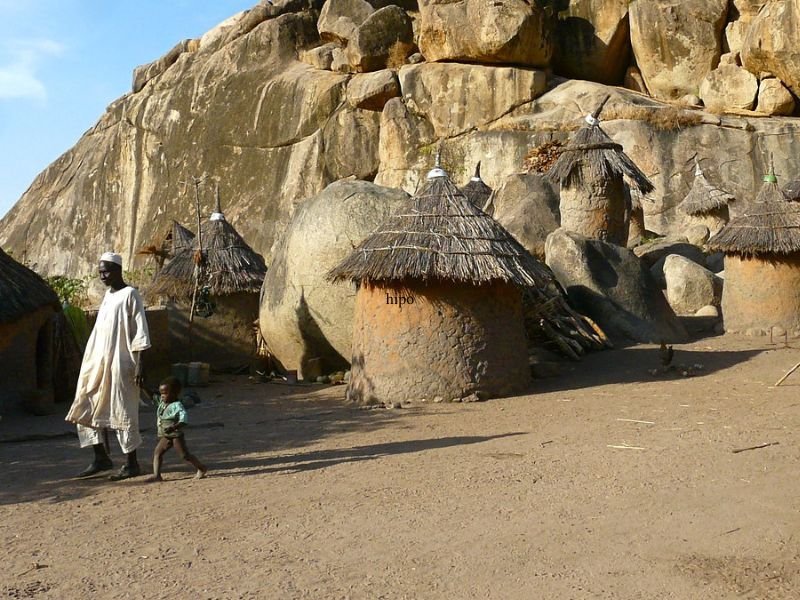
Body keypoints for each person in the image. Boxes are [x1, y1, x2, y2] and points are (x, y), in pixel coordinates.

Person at [65, 252, 150, 481]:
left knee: (122, 411)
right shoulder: (108, 296)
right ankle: (101, 457)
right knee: (85, 404)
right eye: (100, 271)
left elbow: (141, 332)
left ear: (118, 270)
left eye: (107, 271)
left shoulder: (131, 294)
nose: (103, 275)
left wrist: (140, 366)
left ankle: (132, 464)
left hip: (121, 364)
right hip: (97, 362)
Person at [146, 376, 208, 482]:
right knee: (157, 453)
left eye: (165, 393)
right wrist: (143, 387)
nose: (162, 396)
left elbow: (183, 420)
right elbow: (152, 396)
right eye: (161, 393)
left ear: (174, 393)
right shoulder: (162, 403)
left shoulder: (177, 406)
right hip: (166, 435)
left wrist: (173, 427)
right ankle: (157, 475)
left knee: (184, 455)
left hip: (175, 435)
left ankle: (201, 468)